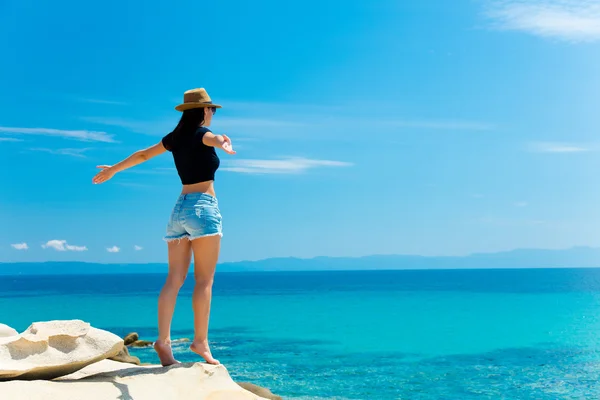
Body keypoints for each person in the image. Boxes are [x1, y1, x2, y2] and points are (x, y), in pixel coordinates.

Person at [92, 88, 235, 366]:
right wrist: (223, 142)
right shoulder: (203, 134)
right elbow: (214, 138)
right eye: (212, 109)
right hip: (203, 208)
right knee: (204, 281)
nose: (213, 114)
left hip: (178, 209)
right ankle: (200, 343)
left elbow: (143, 155)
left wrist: (113, 170)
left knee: (173, 280)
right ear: (203, 111)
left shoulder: (175, 138)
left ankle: (163, 342)